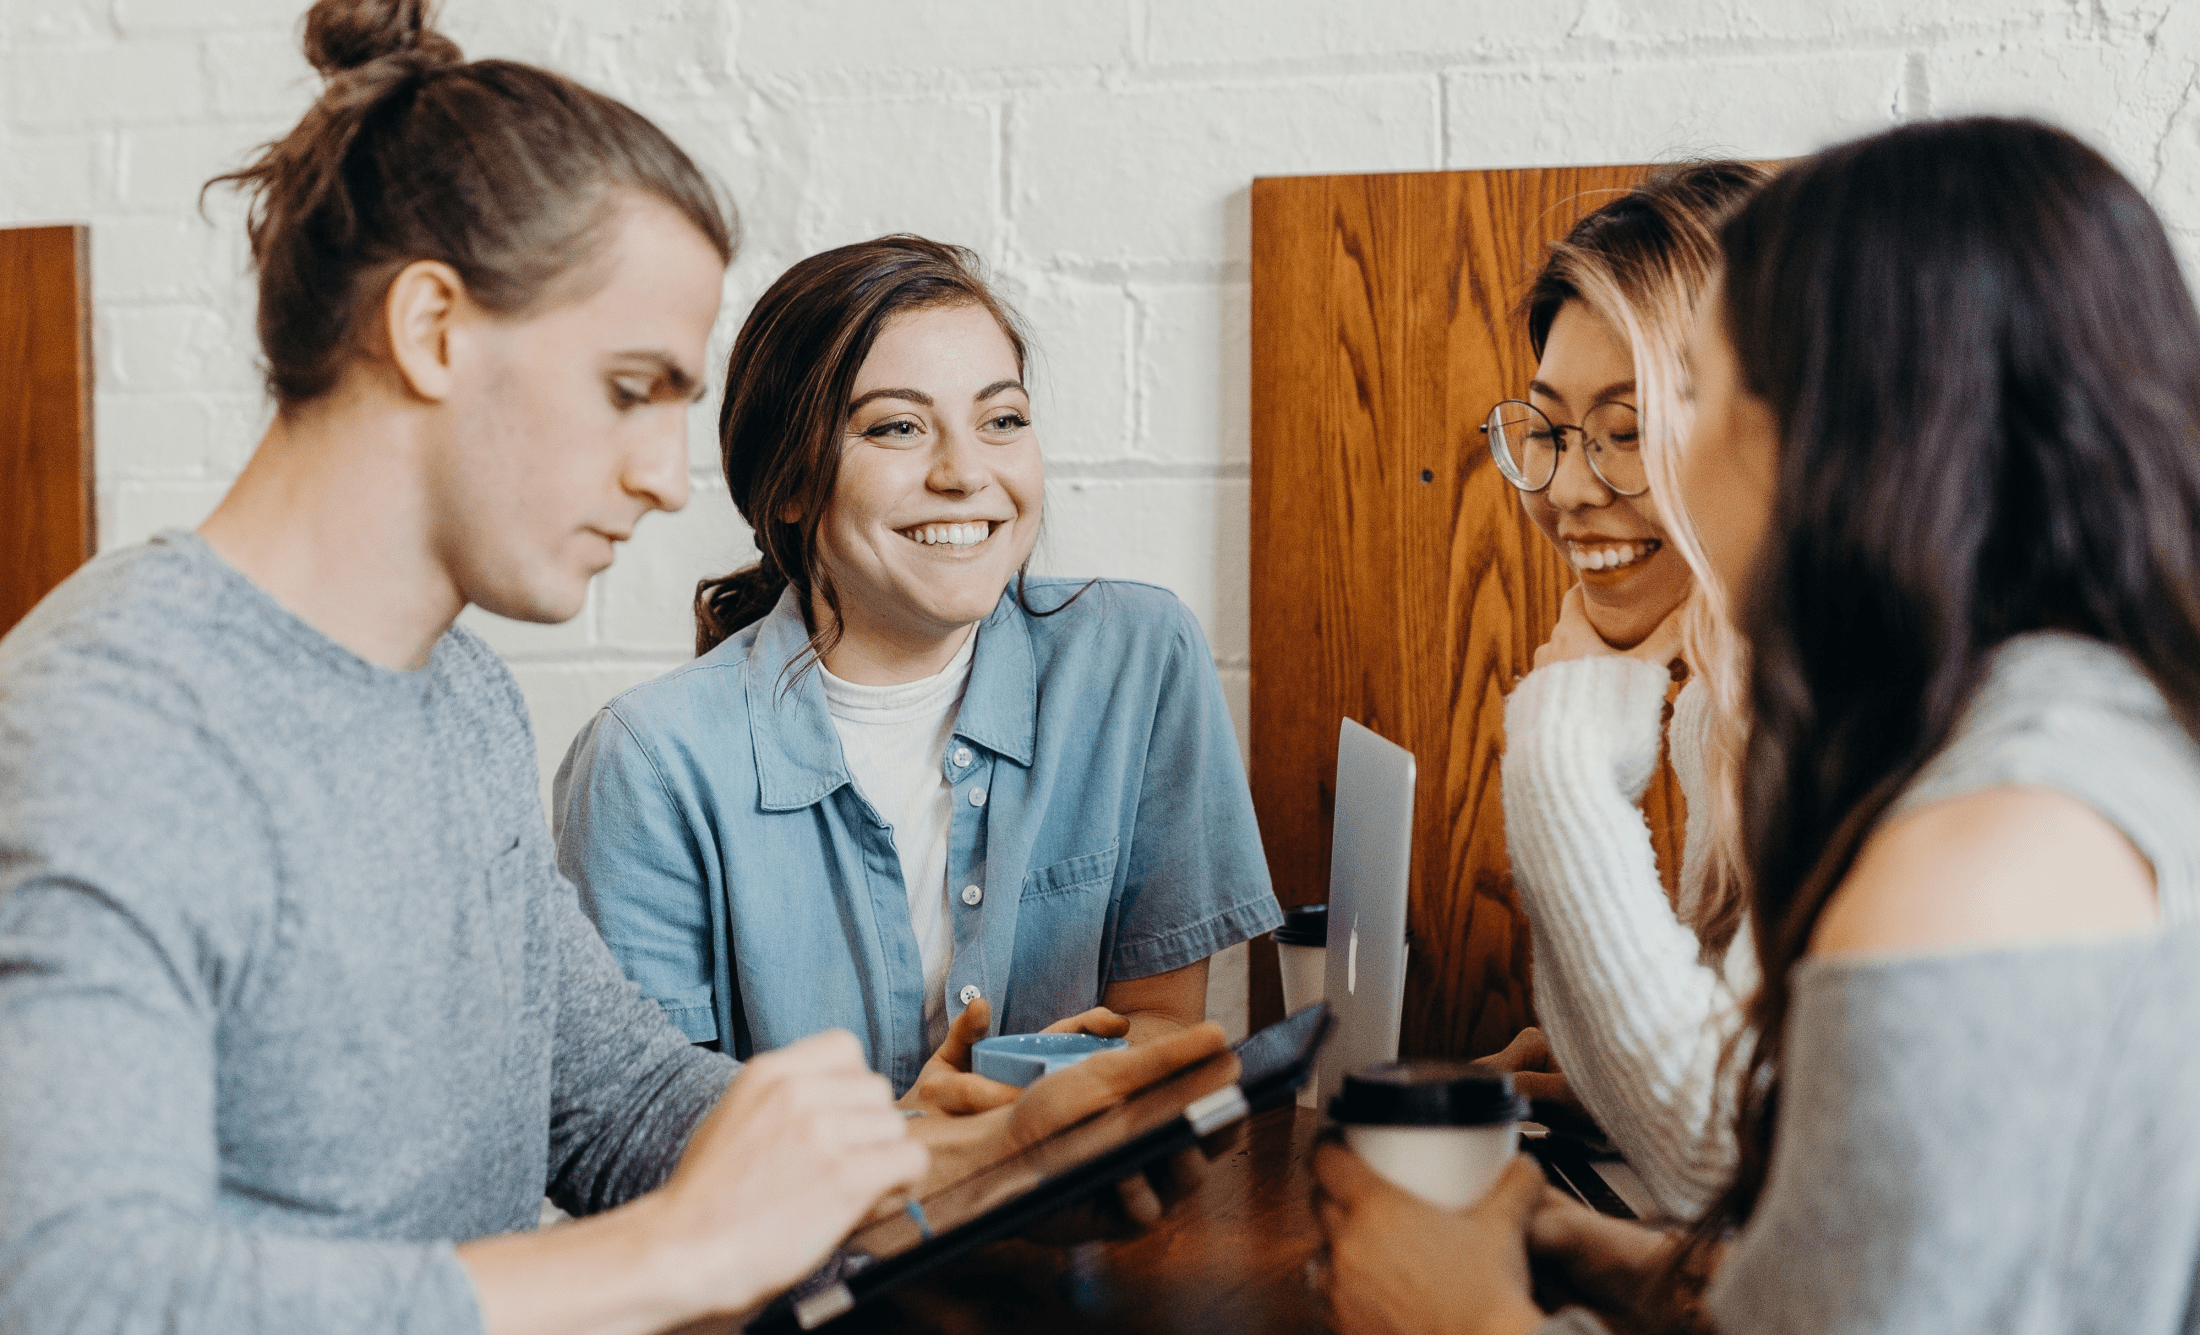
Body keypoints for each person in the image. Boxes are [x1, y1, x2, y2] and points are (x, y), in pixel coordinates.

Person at [0, 5, 1226, 1333]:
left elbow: (612, 1096)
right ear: (433, 329)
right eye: (630, 387)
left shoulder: (453, 695)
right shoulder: (111, 721)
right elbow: (70, 1288)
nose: (659, 474)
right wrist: (670, 1255)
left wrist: (948, 1164)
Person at [1314, 115, 2200, 1335]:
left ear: (1846, 432)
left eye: (1689, 392)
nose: (1597, 477)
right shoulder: (2074, 737)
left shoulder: (1978, 853)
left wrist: (1456, 1315)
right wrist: (1640, 1272)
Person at [554, 235, 1283, 1107]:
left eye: (1001, 419)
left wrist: (1051, 1104)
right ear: (787, 484)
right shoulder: (648, 763)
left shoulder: (1138, 659)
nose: (966, 472)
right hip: (813, 1245)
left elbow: (1163, 1024)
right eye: (897, 427)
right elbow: (645, 1135)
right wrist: (920, 1149)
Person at [1483, 163, 1768, 1219]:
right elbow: (1747, 1113)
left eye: (1627, 428)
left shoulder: (1839, 711)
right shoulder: (1719, 703)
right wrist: (1603, 1070)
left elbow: (1716, 1159)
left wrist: (1558, 745)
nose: (1564, 488)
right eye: (1551, 430)